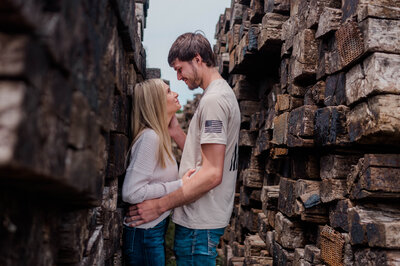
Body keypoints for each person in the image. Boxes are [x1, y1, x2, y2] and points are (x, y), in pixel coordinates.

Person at [126, 32, 241, 265]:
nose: (178, 78)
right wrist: (177, 133)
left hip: (199, 221)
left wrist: (158, 206)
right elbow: (206, 155)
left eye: (180, 69)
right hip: (202, 221)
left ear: (197, 59)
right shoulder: (218, 95)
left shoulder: (213, 101)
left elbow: (211, 174)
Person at [122, 78, 195, 266]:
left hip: (152, 231)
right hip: (145, 235)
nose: (176, 94)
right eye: (169, 91)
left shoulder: (159, 136)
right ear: (156, 102)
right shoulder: (150, 138)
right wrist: (179, 185)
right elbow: (131, 192)